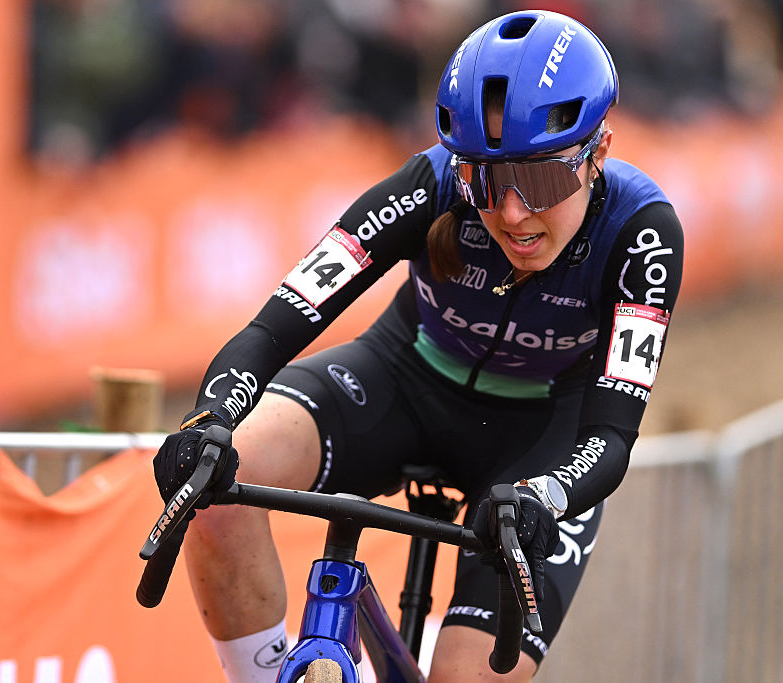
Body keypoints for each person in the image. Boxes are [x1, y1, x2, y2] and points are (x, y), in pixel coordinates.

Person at [152, 9, 684, 681]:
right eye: (486, 181)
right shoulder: (427, 186)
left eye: (543, 181)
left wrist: (548, 494)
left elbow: (610, 435)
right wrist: (211, 418)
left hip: (541, 443)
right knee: (222, 485)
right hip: (402, 380)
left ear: (598, 151)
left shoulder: (642, 233)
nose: (514, 212)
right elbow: (273, 329)